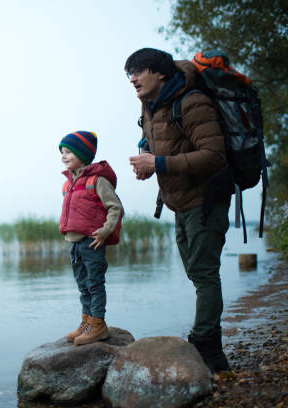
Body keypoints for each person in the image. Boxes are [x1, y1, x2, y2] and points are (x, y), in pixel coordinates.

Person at [125, 48, 232, 374]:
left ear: (160, 72)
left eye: (138, 71)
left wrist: (158, 163)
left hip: (205, 201)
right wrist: (146, 158)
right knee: (197, 274)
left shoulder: (192, 102)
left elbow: (215, 156)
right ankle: (210, 353)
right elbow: (153, 139)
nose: (132, 79)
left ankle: (206, 348)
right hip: (179, 202)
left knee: (204, 276)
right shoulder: (152, 105)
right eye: (129, 73)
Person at [59, 130, 123, 346]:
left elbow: (115, 207)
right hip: (75, 243)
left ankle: (98, 324)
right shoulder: (69, 183)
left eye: (68, 152)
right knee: (83, 285)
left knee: (94, 284)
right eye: (62, 152)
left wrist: (105, 231)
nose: (64, 156)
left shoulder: (97, 181)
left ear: (83, 154)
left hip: (92, 241)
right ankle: (86, 321)